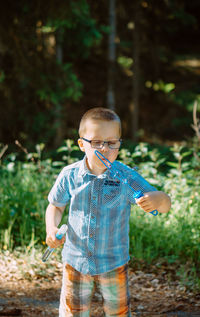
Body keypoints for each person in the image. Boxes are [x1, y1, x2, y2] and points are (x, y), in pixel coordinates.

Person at [45, 107, 171, 316]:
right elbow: (56, 205)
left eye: (112, 143)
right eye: (96, 142)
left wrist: (158, 199)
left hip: (113, 262)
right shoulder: (70, 175)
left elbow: (165, 205)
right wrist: (51, 228)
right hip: (76, 260)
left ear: (119, 145)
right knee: (73, 312)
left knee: (118, 312)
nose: (104, 149)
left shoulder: (125, 177)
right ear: (81, 144)